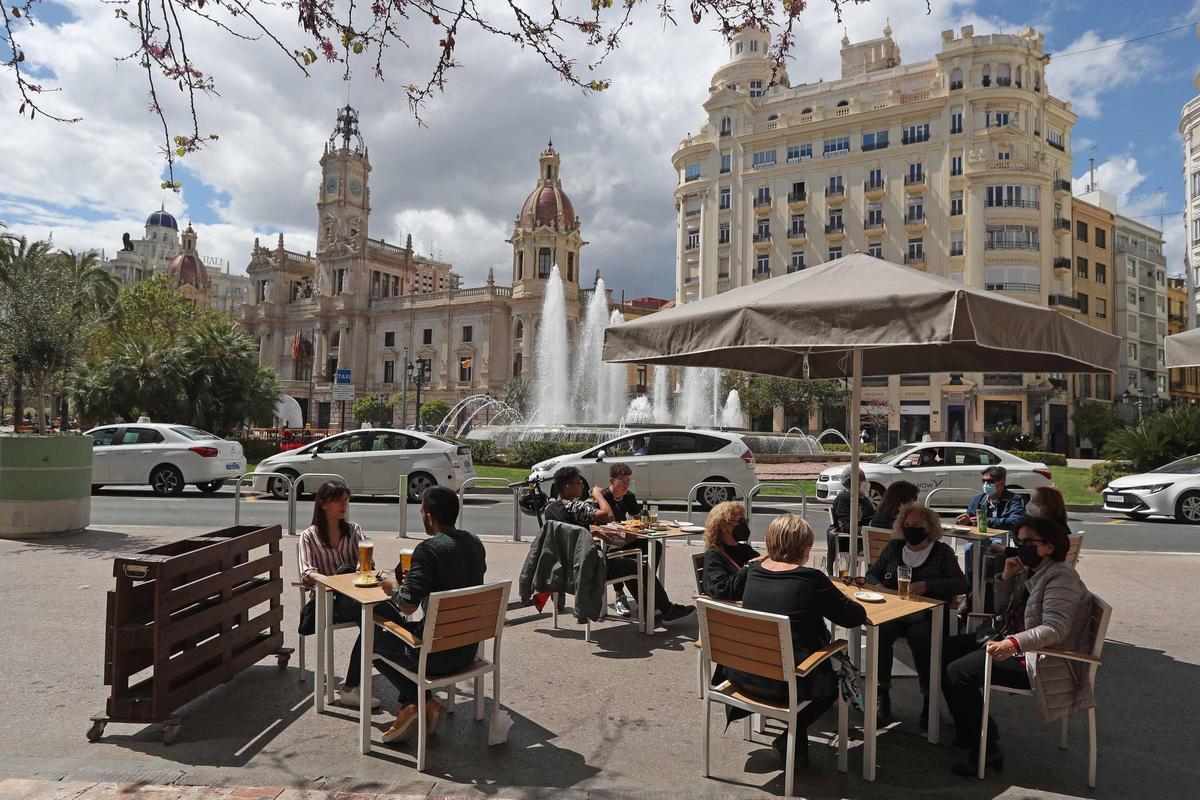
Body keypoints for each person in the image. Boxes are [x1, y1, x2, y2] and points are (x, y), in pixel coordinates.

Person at [941, 516, 1094, 775]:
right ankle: (969, 728)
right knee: (943, 650)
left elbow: (1055, 629)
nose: (1020, 547)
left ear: (1049, 547)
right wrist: (1008, 578)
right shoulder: (1031, 571)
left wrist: (1012, 643)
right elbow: (1002, 611)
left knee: (960, 672)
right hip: (1015, 642)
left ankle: (987, 748)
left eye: (1028, 542)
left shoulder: (1061, 578)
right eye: (1018, 541)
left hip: (1043, 659)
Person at [727, 514, 868, 769]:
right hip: (785, 684)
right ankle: (793, 733)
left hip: (743, 675)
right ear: (804, 547)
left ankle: (795, 744)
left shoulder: (754, 572)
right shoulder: (811, 580)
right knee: (839, 675)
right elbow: (853, 617)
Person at [376, 486, 488, 743]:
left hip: (436, 656)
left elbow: (407, 606)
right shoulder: (474, 543)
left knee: (374, 637)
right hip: (467, 648)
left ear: (428, 516)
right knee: (393, 630)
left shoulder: (429, 550)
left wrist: (392, 586)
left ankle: (422, 701)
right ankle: (411, 706)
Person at [544, 465, 693, 624]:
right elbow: (608, 516)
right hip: (591, 569)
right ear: (568, 487)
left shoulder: (550, 510)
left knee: (632, 558)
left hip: (568, 569)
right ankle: (666, 610)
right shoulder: (576, 506)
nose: (582, 485)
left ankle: (648, 606)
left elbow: (571, 531)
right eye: (578, 482)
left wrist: (592, 531)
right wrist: (598, 496)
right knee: (637, 565)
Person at [865, 502, 968, 726]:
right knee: (880, 631)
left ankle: (929, 697)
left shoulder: (942, 552)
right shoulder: (894, 548)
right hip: (895, 611)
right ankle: (882, 693)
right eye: (907, 524)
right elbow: (871, 574)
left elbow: (961, 584)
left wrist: (927, 585)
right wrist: (880, 588)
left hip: (928, 614)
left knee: (921, 637)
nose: (911, 529)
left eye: (917, 525)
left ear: (929, 527)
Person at [297, 480, 380, 709]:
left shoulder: (354, 530)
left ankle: (350, 689)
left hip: (355, 598)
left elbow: (368, 564)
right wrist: (337, 582)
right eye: (337, 499)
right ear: (323, 503)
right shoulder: (308, 536)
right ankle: (354, 687)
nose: (343, 505)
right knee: (376, 618)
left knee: (374, 620)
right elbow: (307, 572)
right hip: (327, 602)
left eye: (345, 499)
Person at [955, 465, 1026, 605]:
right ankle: (972, 592)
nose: (987, 485)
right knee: (970, 548)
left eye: (991, 482)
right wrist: (965, 521)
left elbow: (1016, 521)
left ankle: (979, 593)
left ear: (1002, 483)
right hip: (982, 539)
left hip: (1004, 540)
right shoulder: (978, 500)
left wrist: (987, 521)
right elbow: (970, 521)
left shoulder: (1014, 499)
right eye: (984, 481)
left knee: (977, 550)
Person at [602, 462, 657, 617]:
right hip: (607, 540)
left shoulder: (629, 496)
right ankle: (620, 595)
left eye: (628, 481)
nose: (626, 485)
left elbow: (638, 519)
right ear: (612, 481)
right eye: (622, 481)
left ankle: (648, 586)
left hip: (624, 538)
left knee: (655, 546)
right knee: (621, 555)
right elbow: (598, 524)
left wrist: (645, 523)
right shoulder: (603, 497)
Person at [701, 500, 761, 600]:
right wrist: (748, 567)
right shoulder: (714, 555)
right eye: (739, 521)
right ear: (723, 526)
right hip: (735, 610)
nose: (744, 525)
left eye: (745, 521)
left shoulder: (745, 549)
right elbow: (720, 589)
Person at [827, 466, 875, 574]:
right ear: (856, 482)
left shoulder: (861, 497)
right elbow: (845, 526)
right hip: (857, 540)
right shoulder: (844, 498)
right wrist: (865, 531)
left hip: (867, 538)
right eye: (863, 479)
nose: (866, 482)